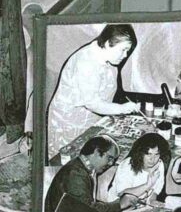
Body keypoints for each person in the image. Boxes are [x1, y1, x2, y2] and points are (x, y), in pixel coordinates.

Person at [47, 24, 141, 159]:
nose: (125, 55)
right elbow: (93, 103)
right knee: (70, 163)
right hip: (69, 124)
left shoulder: (109, 59)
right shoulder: (86, 63)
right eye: (123, 50)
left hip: (90, 121)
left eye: (128, 50)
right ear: (108, 43)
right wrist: (122, 108)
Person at [44, 136, 140, 212]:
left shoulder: (79, 168)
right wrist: (119, 204)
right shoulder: (75, 173)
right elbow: (87, 210)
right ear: (97, 152)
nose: (110, 164)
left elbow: (84, 203)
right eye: (109, 158)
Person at [105, 132, 170, 204]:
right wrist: (147, 185)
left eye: (156, 154)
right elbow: (122, 194)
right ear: (141, 153)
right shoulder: (127, 166)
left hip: (140, 205)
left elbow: (157, 188)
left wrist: (151, 200)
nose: (152, 159)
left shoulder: (159, 164)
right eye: (148, 154)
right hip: (117, 205)